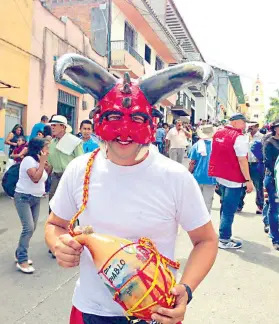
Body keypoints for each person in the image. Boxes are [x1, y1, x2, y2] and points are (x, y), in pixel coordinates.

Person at [45, 53, 217, 324]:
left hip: (155, 313)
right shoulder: (80, 169)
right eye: (114, 116)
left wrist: (186, 289)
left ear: (151, 122)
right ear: (99, 118)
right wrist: (58, 244)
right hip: (91, 311)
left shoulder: (175, 177)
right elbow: (55, 223)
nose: (124, 132)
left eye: (136, 119)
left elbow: (206, 240)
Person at [209, 113, 254, 249]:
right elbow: (242, 160)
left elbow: (215, 152)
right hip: (233, 178)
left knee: (225, 206)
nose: (245, 125)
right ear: (234, 122)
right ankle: (224, 239)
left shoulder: (218, 133)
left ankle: (223, 234)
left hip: (221, 176)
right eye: (243, 122)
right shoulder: (239, 137)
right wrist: (248, 180)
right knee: (229, 209)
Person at [14, 137, 49, 273]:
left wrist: (45, 164)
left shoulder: (37, 160)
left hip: (36, 198)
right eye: (46, 147)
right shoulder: (28, 160)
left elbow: (45, 176)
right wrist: (42, 163)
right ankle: (22, 260)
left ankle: (19, 253)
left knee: (32, 228)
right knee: (28, 227)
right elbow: (35, 178)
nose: (48, 150)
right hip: (23, 197)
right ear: (39, 149)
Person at [48, 115, 83, 202]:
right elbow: (50, 163)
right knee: (53, 203)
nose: (52, 127)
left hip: (70, 177)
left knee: (69, 203)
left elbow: (81, 161)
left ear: (63, 127)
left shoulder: (74, 141)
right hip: (56, 177)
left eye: (55, 125)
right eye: (52, 125)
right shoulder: (52, 143)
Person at [189, 125, 216, 213]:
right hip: (211, 177)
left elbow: (192, 163)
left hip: (197, 176)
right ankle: (205, 221)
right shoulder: (216, 146)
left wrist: (188, 174)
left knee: (196, 201)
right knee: (207, 202)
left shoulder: (196, 145)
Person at [238, 123, 264, 214]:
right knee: (242, 185)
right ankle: (239, 205)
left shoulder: (262, 137)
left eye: (252, 126)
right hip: (245, 164)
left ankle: (260, 206)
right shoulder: (244, 136)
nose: (249, 127)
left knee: (258, 186)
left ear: (257, 127)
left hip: (256, 164)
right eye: (249, 126)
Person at [263, 120, 279, 251]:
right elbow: (268, 163)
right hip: (274, 179)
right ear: (274, 129)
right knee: (274, 209)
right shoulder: (269, 143)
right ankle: (276, 238)